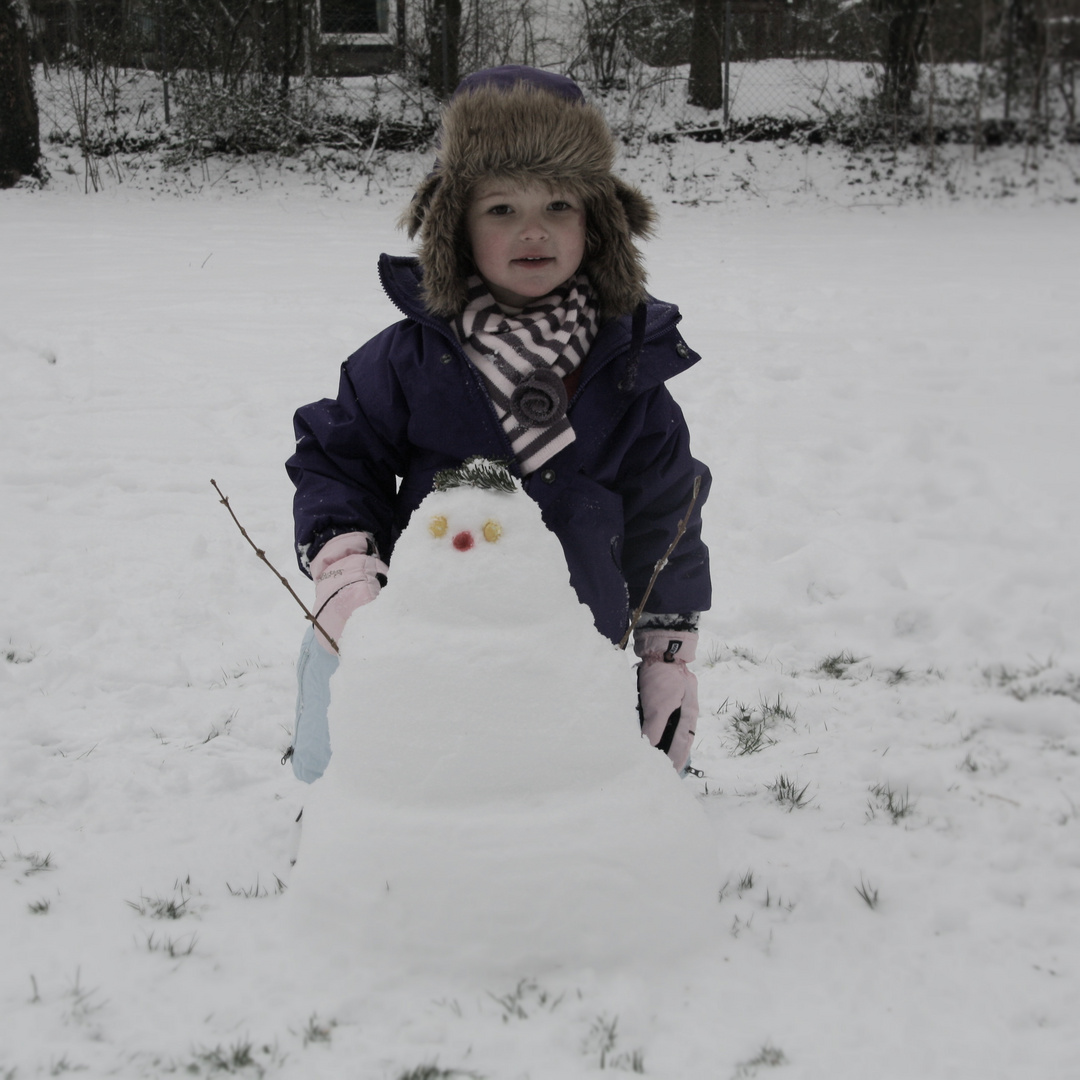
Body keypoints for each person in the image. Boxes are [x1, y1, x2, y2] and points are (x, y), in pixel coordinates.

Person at [285, 65, 711, 782]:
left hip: (575, 645)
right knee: (403, 768)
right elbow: (338, 455)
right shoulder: (408, 360)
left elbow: (666, 510)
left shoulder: (626, 369)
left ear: (598, 223)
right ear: (456, 225)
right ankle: (351, 802)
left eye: (559, 205)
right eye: (501, 209)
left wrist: (666, 652)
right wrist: (344, 565)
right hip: (426, 637)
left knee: (558, 794)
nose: (533, 230)